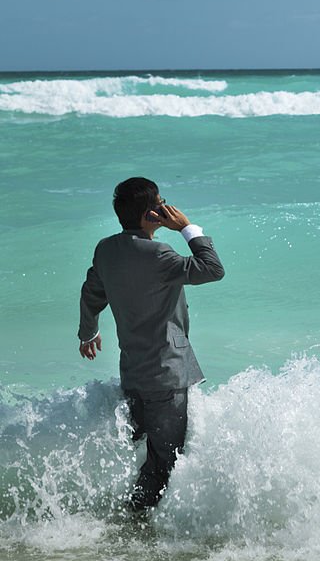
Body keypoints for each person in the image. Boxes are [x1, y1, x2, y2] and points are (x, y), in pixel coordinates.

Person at [78, 177, 225, 513]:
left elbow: (91, 294)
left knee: (147, 452)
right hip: (167, 375)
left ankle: (133, 520)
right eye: (161, 203)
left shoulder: (106, 249)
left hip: (133, 372)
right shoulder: (159, 253)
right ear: (151, 214)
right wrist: (187, 228)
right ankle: (136, 527)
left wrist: (87, 333)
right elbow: (213, 269)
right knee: (165, 461)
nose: (165, 207)